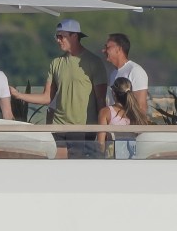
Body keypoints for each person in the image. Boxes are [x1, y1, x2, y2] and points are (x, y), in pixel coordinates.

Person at [10, 19, 107, 158]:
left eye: (61, 36)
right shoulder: (56, 63)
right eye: (56, 36)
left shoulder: (94, 62)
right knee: (57, 169)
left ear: (74, 36)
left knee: (75, 170)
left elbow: (101, 100)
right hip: (58, 126)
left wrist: (102, 133)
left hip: (83, 127)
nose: (57, 40)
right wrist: (18, 95)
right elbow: (47, 97)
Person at [97, 77, 150, 158]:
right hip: (134, 158)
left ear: (113, 93)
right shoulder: (138, 114)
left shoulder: (106, 112)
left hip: (114, 160)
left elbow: (100, 143)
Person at [102, 32, 149, 114]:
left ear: (119, 49)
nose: (103, 51)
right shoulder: (113, 74)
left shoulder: (135, 71)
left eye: (107, 47)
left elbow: (141, 107)